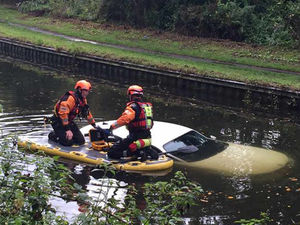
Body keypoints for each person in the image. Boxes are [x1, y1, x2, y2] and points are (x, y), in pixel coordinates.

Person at [107, 85, 158, 161]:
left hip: (134, 137)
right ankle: (146, 151)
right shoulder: (147, 107)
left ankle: (134, 153)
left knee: (111, 152)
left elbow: (125, 119)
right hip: (147, 137)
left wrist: (112, 127)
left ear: (131, 95)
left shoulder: (133, 107)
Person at [48, 80, 96, 146]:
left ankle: (62, 134)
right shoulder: (69, 99)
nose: (87, 93)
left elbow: (87, 114)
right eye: (85, 90)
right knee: (68, 142)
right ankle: (54, 135)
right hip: (58, 121)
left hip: (68, 121)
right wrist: (68, 130)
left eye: (88, 91)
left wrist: (94, 125)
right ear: (79, 90)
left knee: (80, 141)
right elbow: (63, 115)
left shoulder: (83, 100)